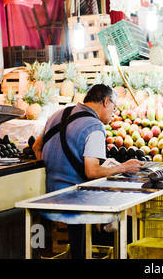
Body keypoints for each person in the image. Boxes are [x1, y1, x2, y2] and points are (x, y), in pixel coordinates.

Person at [32, 84, 144, 259]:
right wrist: (124, 167)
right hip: (74, 201)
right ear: (106, 101)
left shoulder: (57, 114)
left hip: (46, 195)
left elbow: (36, 146)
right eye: (114, 108)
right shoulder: (94, 127)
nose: (114, 113)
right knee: (122, 208)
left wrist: (52, 167)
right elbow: (92, 171)